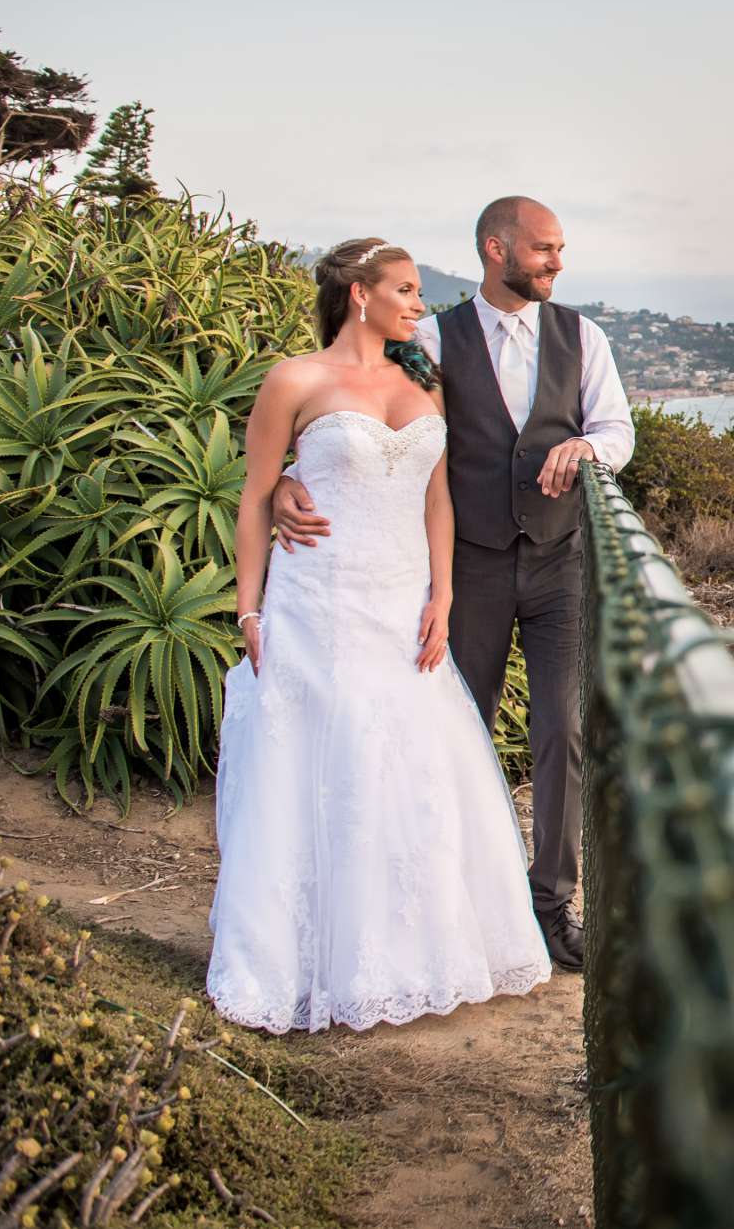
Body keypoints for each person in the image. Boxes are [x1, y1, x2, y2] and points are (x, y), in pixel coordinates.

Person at [270, 197, 633, 972]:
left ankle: (548, 903)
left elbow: (617, 430)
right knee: (454, 731)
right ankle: (463, 896)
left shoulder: (583, 336)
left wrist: (584, 449)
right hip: (463, 564)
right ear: (496, 250)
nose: (557, 263)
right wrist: (283, 483)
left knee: (562, 731)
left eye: (561, 249)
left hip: (558, 561)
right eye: (543, 249)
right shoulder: (430, 339)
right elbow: (357, 414)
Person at [208, 238, 551, 1032]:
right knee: (323, 767)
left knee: (413, 767)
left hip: (404, 603)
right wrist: (249, 609)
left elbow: (438, 499)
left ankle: (415, 954)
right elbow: (257, 496)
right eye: (404, 290)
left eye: (418, 292)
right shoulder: (294, 380)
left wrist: (445, 594)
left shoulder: (420, 379)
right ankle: (305, 963)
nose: (417, 304)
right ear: (359, 295)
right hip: (317, 605)